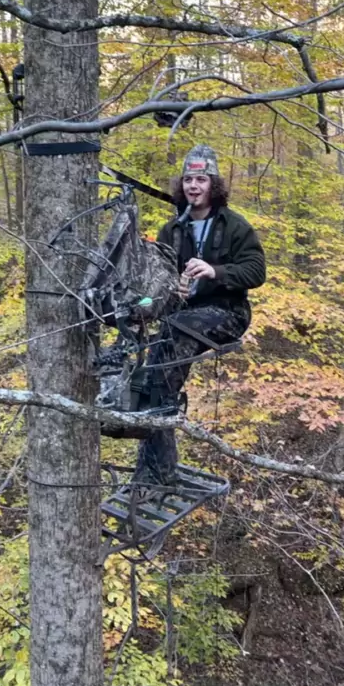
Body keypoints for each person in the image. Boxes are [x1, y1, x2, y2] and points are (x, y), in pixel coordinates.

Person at [133, 144, 266, 489]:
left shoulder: (234, 226)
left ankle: (156, 471)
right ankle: (156, 471)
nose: (194, 186)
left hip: (227, 313)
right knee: (153, 379)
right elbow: (158, 280)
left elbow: (256, 271)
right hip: (181, 317)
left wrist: (215, 271)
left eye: (201, 179)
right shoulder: (172, 230)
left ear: (213, 185)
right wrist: (160, 295)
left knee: (168, 350)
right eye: (188, 180)